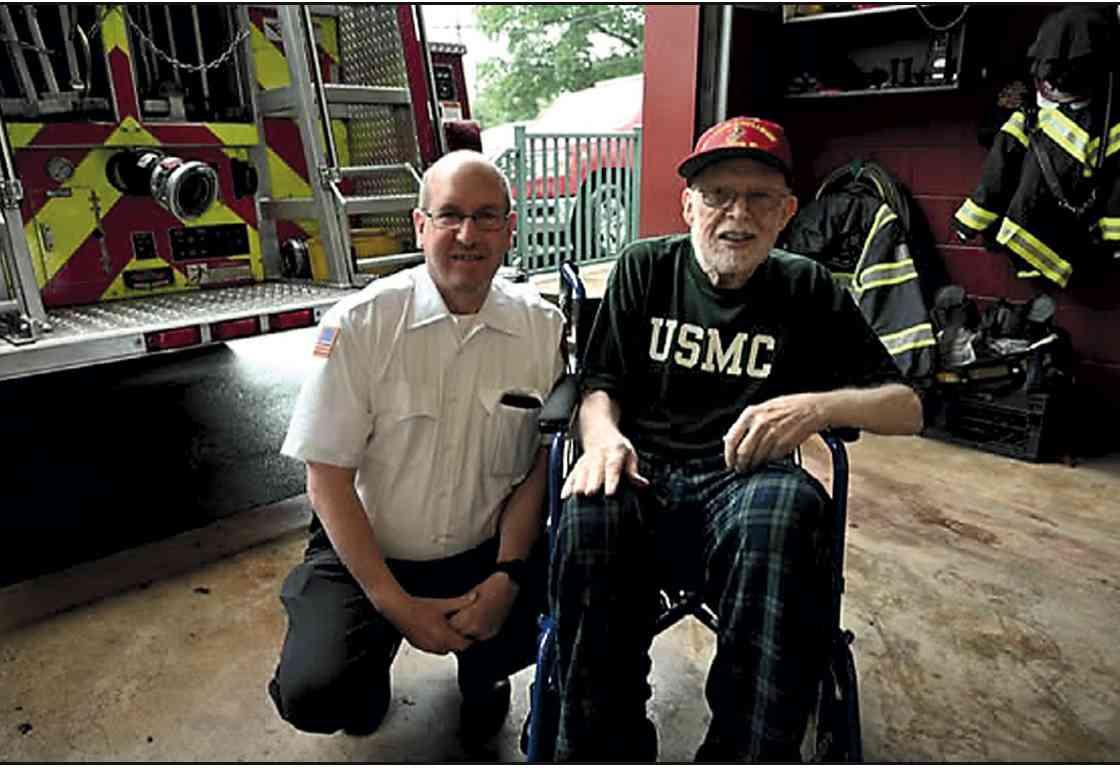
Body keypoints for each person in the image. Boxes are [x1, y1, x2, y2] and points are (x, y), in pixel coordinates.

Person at [549, 117, 924, 761]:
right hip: (644, 468)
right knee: (588, 511)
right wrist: (604, 436)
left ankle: (744, 750)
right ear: (688, 205)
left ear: (786, 213)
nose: (737, 215)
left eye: (758, 198)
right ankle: (601, 746)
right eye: (719, 194)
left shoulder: (807, 286)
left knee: (788, 509)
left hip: (747, 478)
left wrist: (817, 406)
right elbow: (599, 384)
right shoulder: (645, 267)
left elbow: (908, 408)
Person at [268, 150, 564, 749]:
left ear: (510, 228)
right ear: (420, 225)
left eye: (486, 217)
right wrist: (394, 604)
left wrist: (507, 576)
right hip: (370, 547)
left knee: (572, 600)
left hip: (484, 549)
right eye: (449, 215)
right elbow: (327, 480)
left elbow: (536, 465)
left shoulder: (542, 328)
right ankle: (365, 673)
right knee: (317, 692)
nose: (468, 235)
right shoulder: (359, 324)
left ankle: (485, 676)